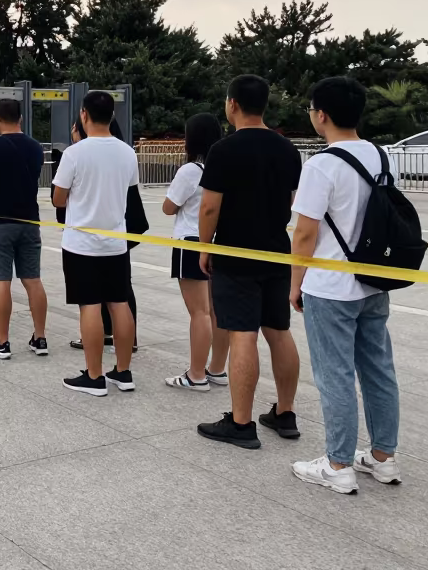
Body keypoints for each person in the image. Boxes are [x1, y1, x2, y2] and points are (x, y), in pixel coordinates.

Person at [287, 76, 401, 493]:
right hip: (374, 282)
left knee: (334, 374)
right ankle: (383, 457)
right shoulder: (382, 156)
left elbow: (304, 233)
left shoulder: (321, 165)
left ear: (322, 115)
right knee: (378, 370)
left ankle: (337, 464)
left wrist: (295, 283)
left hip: (331, 284)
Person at [197, 75, 303, 450]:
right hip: (277, 249)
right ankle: (285, 413)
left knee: (243, 333)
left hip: (235, 252)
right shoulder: (288, 150)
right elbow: (293, 201)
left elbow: (210, 205)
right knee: (278, 331)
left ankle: (241, 423)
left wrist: (205, 246)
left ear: (232, 104)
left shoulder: (223, 150)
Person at [52, 91, 138, 396]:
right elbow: (128, 192)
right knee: (119, 302)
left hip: (81, 244)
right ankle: (123, 372)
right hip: (116, 242)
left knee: (89, 304)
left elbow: (58, 198)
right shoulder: (128, 152)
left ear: (84, 115)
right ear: (112, 116)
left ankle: (94, 375)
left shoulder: (75, 153)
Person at [0, 98, 49, 358]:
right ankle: (40, 338)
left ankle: (2, 342)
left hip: (0, 221)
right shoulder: (35, 147)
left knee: (1, 281)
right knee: (33, 280)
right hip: (29, 221)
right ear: (20, 118)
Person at [162, 112, 229, 390]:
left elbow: (168, 207)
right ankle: (217, 369)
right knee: (217, 311)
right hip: (218, 242)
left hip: (190, 242)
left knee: (199, 312)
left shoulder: (191, 171)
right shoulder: (224, 167)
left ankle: (196, 374)